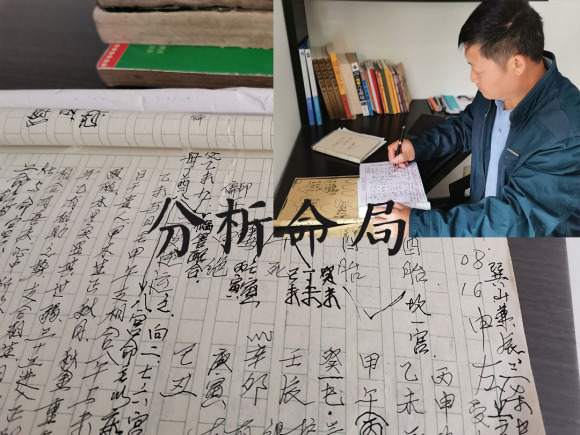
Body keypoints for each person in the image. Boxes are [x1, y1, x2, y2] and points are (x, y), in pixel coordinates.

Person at [375, 0, 580, 237]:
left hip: (533, 249)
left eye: (478, 69)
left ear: (516, 64)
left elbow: (515, 221)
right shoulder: (495, 92)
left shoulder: (566, 135)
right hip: (481, 226)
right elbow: (468, 126)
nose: (472, 77)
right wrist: (418, 147)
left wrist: (419, 225)